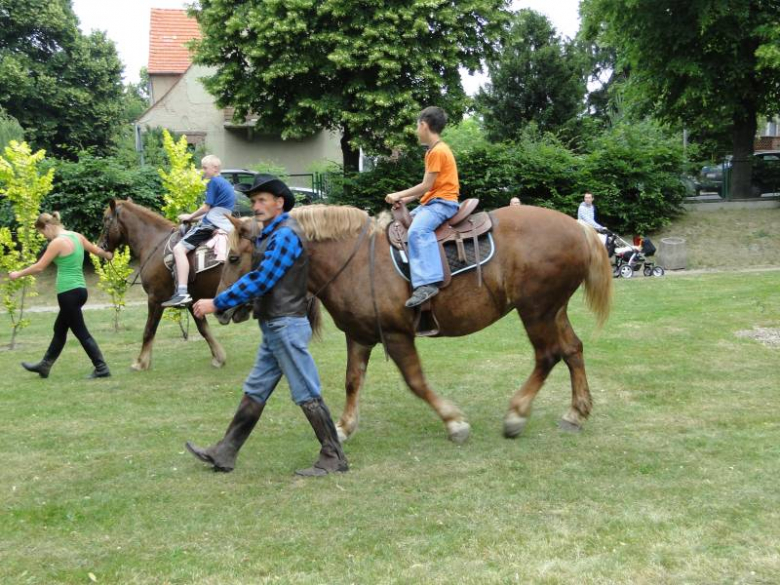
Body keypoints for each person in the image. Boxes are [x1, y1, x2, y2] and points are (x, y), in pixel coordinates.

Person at [186, 174, 348, 477]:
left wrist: (218, 302)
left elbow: (263, 279)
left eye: (262, 200)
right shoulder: (271, 234)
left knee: (306, 391)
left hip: (286, 326)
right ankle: (225, 451)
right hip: (275, 326)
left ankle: (333, 456)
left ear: (279, 203)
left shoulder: (286, 234)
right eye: (253, 200)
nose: (256, 205)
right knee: (256, 389)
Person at [9, 212, 113, 379]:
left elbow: (39, 267)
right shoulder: (77, 236)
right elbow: (96, 250)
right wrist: (108, 255)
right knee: (59, 329)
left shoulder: (57, 243)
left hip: (68, 293)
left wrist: (17, 274)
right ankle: (44, 366)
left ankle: (101, 367)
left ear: (48, 226)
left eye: (42, 233)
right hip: (80, 290)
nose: (44, 237)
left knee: (81, 332)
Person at [385, 106, 460, 308]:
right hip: (432, 201)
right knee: (400, 226)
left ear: (424, 125)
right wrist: (406, 201)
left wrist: (399, 194)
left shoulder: (438, 151)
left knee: (418, 231)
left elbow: (426, 186)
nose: (416, 130)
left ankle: (428, 283)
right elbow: (429, 188)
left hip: (443, 204)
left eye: (417, 126)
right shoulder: (433, 151)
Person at [162, 155, 235, 307]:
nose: (203, 171)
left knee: (178, 249)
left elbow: (207, 208)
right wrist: (192, 219)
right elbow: (217, 210)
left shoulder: (214, 182)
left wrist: (190, 216)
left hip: (210, 224)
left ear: (215, 168)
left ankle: (182, 292)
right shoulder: (226, 184)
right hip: (222, 223)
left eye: (205, 167)